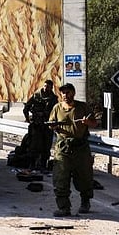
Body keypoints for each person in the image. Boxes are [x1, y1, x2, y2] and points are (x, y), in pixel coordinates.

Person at [47, 83, 99, 217]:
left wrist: (87, 123)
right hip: (63, 147)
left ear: (73, 93)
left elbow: (94, 123)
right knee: (60, 178)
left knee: (84, 177)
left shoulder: (82, 107)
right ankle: (64, 207)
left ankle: (85, 202)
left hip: (80, 147)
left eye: (68, 92)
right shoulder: (57, 108)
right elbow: (50, 124)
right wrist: (53, 126)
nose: (65, 95)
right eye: (63, 93)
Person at [23, 80, 58, 172]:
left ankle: (43, 165)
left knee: (46, 146)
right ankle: (32, 164)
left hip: (47, 126)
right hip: (36, 125)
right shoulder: (36, 96)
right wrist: (28, 119)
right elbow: (26, 108)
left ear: (51, 88)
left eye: (48, 87)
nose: (46, 88)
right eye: (45, 86)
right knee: (34, 146)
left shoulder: (54, 99)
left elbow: (56, 111)